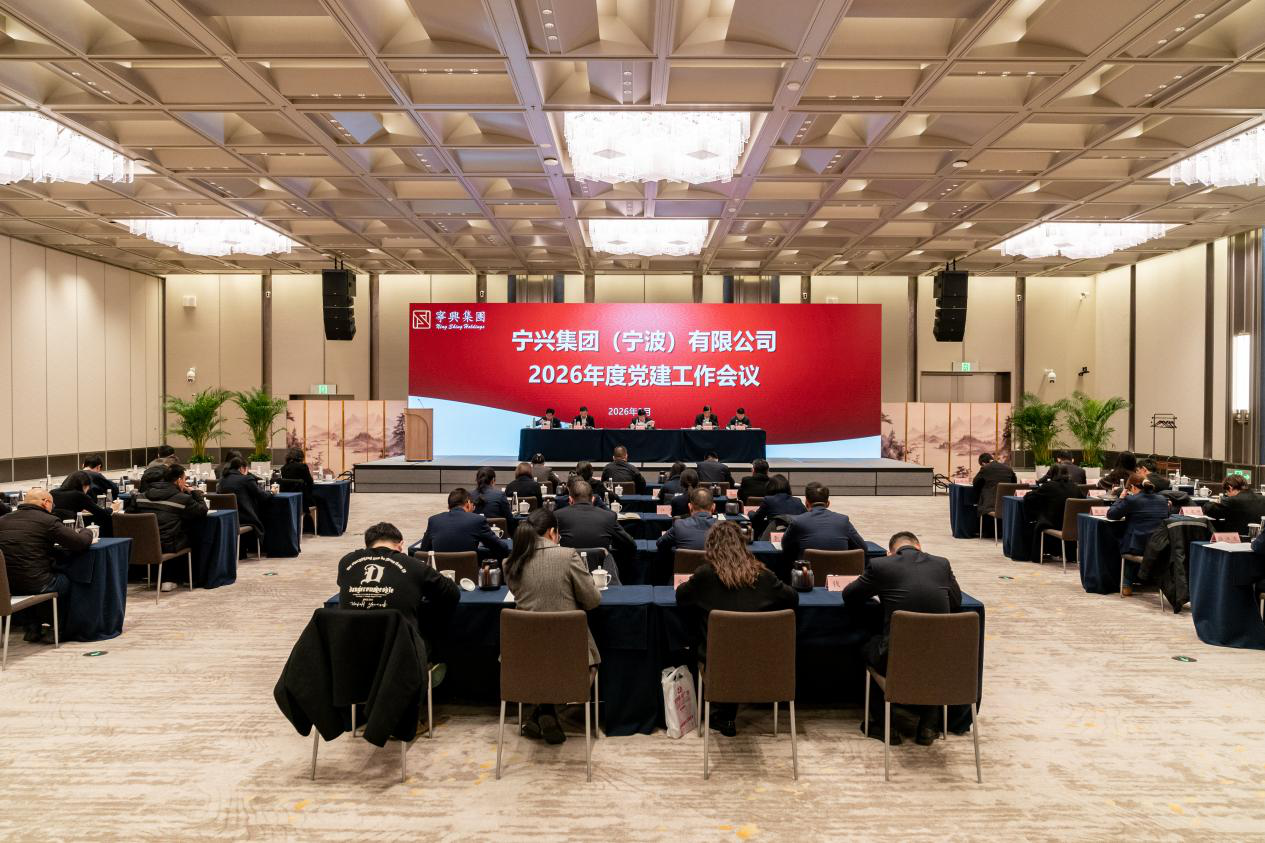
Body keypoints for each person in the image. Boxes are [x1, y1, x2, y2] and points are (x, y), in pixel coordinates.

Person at [676, 520, 797, 736]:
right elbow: (792, 598)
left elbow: (681, 597)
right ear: (743, 545)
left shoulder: (705, 575)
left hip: (717, 661)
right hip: (762, 661)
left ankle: (722, 714)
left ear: (710, 547)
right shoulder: (764, 576)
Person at [843, 531, 962, 746]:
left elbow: (850, 595)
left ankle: (885, 725)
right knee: (928, 659)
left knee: (867, 647)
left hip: (896, 657)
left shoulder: (881, 565)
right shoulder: (942, 564)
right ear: (919, 546)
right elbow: (955, 601)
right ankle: (928, 725)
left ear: (891, 552)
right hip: (940, 657)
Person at [502, 507, 602, 744]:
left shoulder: (510, 562)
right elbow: (592, 601)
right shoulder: (567, 556)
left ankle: (542, 712)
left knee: (541, 664)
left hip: (522, 658)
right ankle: (547, 711)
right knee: (584, 661)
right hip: (569, 657)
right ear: (551, 532)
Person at [337, 522, 460, 665]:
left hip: (349, 649)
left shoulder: (346, 562)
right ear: (401, 545)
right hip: (401, 653)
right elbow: (452, 594)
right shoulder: (414, 565)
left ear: (367, 545)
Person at [0, 489, 92, 643]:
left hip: (7, 585)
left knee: (26, 577)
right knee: (66, 581)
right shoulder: (48, 521)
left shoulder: (2, 520)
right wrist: (87, 531)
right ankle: (57, 629)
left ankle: (32, 627)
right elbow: (79, 543)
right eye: (52, 504)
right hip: (37, 583)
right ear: (46, 502)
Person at [554, 479, 636, 577]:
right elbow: (630, 544)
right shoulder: (608, 516)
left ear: (570, 500)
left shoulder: (557, 516)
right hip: (601, 576)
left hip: (567, 575)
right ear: (593, 499)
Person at [1107, 472, 1171, 596]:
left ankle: (1126, 584)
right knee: (1139, 540)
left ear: (1132, 487)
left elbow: (1111, 514)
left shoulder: (1131, 500)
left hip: (1137, 547)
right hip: (1158, 546)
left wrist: (1121, 498)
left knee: (1122, 541)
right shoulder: (1163, 500)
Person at [780, 482, 867, 570]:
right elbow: (863, 548)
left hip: (807, 576)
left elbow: (785, 547)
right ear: (828, 503)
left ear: (806, 503)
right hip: (839, 575)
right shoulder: (843, 520)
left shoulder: (798, 521)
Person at [129, 464, 208, 556]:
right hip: (167, 545)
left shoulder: (139, 497)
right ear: (179, 481)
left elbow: (129, 516)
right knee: (198, 536)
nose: (185, 482)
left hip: (140, 543)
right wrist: (194, 491)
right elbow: (202, 510)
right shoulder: (183, 499)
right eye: (184, 479)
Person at [420, 488, 508, 559]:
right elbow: (501, 548)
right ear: (468, 503)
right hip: (470, 575)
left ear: (448, 506)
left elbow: (423, 550)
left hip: (440, 574)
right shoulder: (477, 520)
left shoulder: (434, 520)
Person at [219, 458, 273, 542]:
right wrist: (272, 492)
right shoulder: (246, 479)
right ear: (242, 468)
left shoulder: (223, 480)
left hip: (227, 519)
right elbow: (262, 495)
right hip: (245, 518)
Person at [51, 471, 117, 537]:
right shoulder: (79, 495)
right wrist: (111, 508)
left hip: (54, 529)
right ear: (84, 485)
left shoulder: (53, 492)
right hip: (73, 531)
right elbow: (101, 512)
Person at [657, 487, 717, 558]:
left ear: (690, 507)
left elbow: (660, 543)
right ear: (713, 507)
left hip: (682, 565)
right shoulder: (724, 528)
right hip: (716, 565)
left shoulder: (679, 525)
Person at [1023, 463, 1081, 535]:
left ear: (1051, 474)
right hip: (1075, 526)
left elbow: (1028, 497)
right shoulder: (1075, 487)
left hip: (1054, 525)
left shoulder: (1049, 486)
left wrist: (1043, 480)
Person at [749, 474, 806, 539]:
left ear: (770, 486)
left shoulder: (768, 500)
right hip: (795, 539)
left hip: (773, 538)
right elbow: (807, 518)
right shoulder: (797, 501)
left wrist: (750, 513)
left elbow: (756, 519)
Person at [972, 453, 1016, 517]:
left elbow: (975, 483)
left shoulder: (986, 468)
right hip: (1007, 503)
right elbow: (1014, 483)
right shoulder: (1008, 468)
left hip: (990, 505)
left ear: (983, 463)